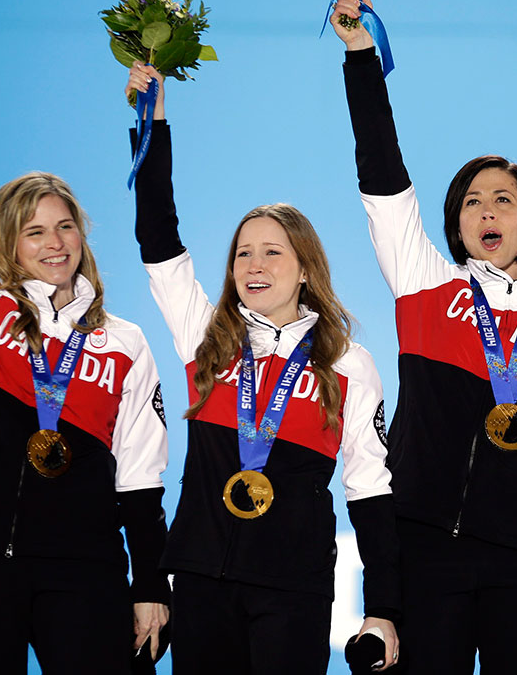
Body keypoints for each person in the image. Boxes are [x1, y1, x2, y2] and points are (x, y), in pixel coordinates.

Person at [331, 0, 517, 674]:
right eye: (471, 201)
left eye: (503, 199)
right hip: (424, 545)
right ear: (456, 224)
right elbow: (383, 181)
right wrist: (360, 56)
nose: (487, 211)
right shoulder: (425, 284)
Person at [0, 19, 171, 673]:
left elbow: (140, 475)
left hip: (83, 566)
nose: (54, 243)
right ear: (6, 244)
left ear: (82, 235)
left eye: (65, 227)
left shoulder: (124, 342)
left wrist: (151, 583)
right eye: (34, 231)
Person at [124, 64, 399, 673]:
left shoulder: (348, 364)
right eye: (243, 253)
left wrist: (383, 607)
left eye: (273, 252)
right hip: (201, 580)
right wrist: (149, 122)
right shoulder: (208, 339)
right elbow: (158, 239)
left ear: (305, 269)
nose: (255, 264)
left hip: (292, 588)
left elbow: (371, 487)